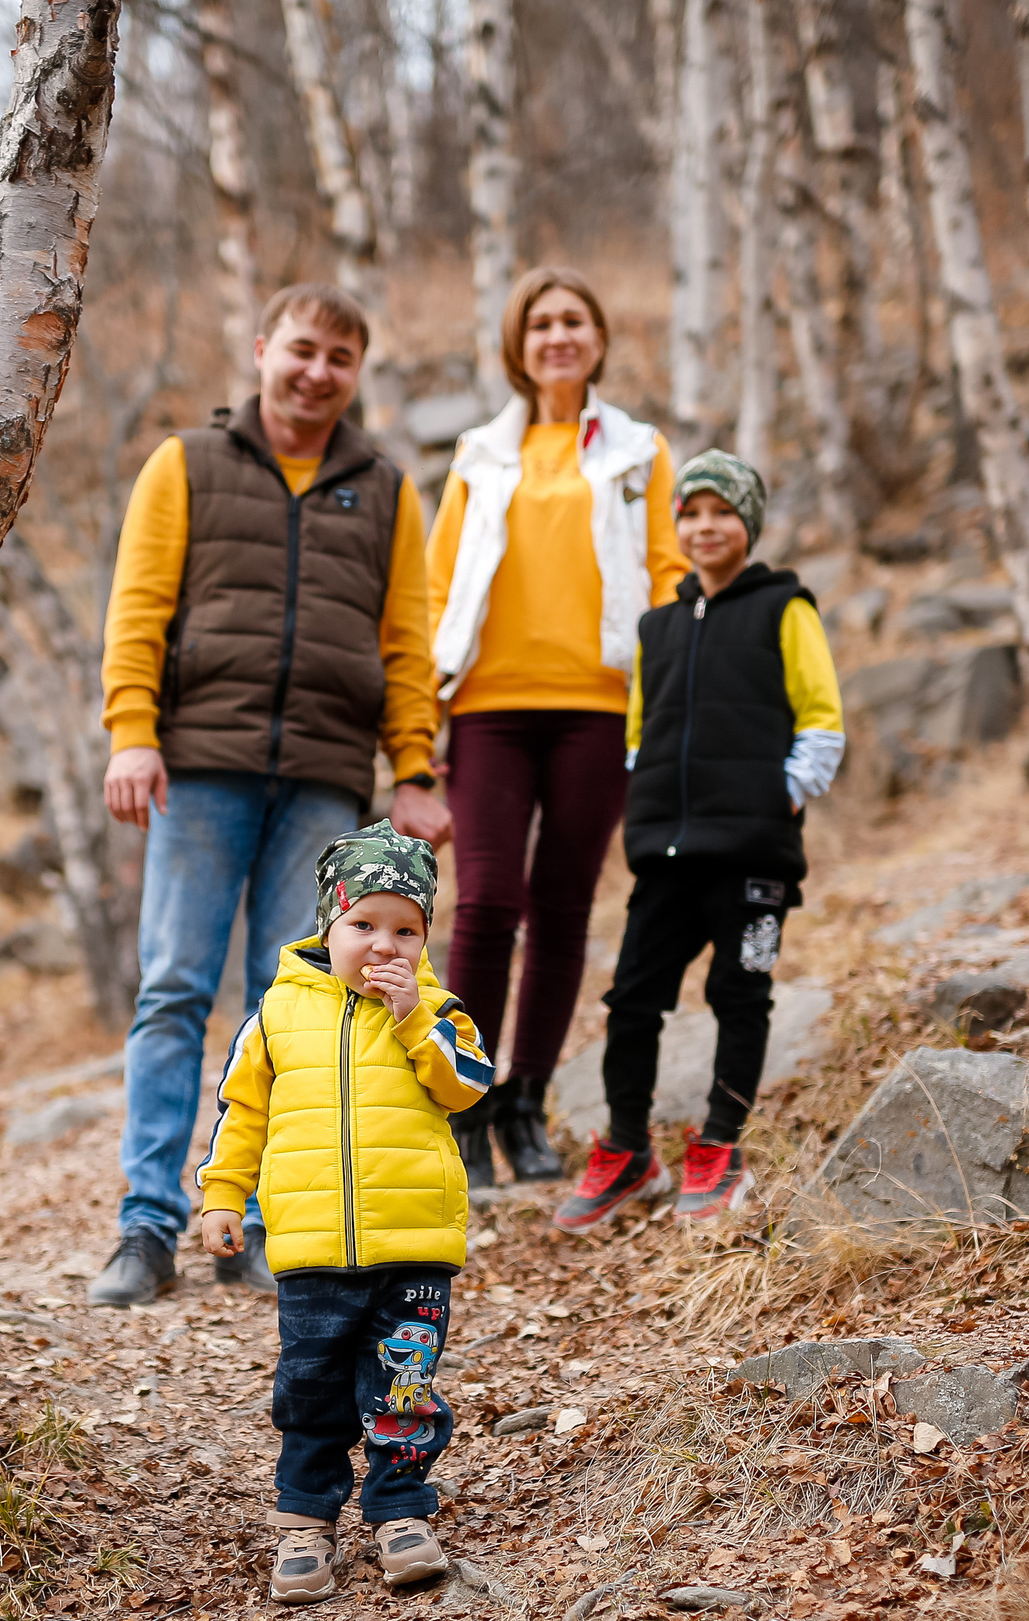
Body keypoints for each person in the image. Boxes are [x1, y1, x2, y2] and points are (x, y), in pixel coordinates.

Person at [90, 284, 451, 1309]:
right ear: (260, 351)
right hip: (200, 763)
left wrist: (413, 768)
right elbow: (139, 608)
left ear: (355, 373)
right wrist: (132, 733)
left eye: (340, 358)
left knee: (287, 1002)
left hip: (326, 776)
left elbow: (407, 642)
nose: (316, 372)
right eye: (301, 349)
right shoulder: (187, 465)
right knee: (172, 989)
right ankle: (146, 1226)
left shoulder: (385, 488)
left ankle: (248, 1223)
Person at [424, 267, 690, 1189]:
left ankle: (526, 1102)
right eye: (541, 324)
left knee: (564, 908)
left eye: (575, 319)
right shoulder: (478, 454)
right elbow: (438, 582)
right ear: (518, 344)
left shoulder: (639, 451)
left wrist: (668, 702)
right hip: (489, 706)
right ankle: (465, 1104)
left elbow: (667, 572)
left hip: (599, 705)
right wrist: (424, 716)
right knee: (489, 900)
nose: (558, 336)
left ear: (599, 337)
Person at [196, 821, 492, 1603]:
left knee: (403, 1384)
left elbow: (467, 1086)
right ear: (327, 926)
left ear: (426, 938)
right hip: (312, 1247)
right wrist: (224, 1195)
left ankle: (400, 1510)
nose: (382, 945)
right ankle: (305, 1519)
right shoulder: (278, 1012)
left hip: (415, 1244)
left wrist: (412, 1021)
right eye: (363, 924)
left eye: (405, 929)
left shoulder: (438, 1011)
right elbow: (241, 1113)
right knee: (312, 1383)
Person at [553, 450, 844, 1232]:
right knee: (632, 999)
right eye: (692, 512)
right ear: (676, 523)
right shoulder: (659, 626)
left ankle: (721, 1143)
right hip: (668, 856)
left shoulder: (787, 609)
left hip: (752, 856)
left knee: (738, 994)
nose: (706, 526)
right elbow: (641, 736)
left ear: (748, 523)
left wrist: (773, 799)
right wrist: (647, 805)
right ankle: (625, 1146)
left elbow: (820, 720)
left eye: (724, 512)